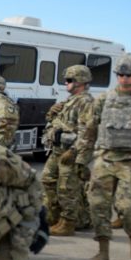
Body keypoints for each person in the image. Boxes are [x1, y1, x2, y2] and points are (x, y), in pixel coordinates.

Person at [73, 53, 131, 260]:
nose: (124, 79)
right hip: (105, 158)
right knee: (97, 205)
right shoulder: (105, 98)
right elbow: (90, 129)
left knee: (129, 207)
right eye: (120, 74)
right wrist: (81, 158)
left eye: (129, 75)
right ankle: (103, 250)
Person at [42, 65, 94, 236]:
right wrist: (52, 113)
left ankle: (69, 222)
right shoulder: (69, 101)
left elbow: (87, 131)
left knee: (67, 188)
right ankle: (55, 216)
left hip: (70, 151)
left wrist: (74, 152)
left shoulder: (86, 102)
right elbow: (55, 121)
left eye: (70, 80)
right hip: (57, 150)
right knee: (48, 181)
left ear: (80, 82)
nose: (66, 83)